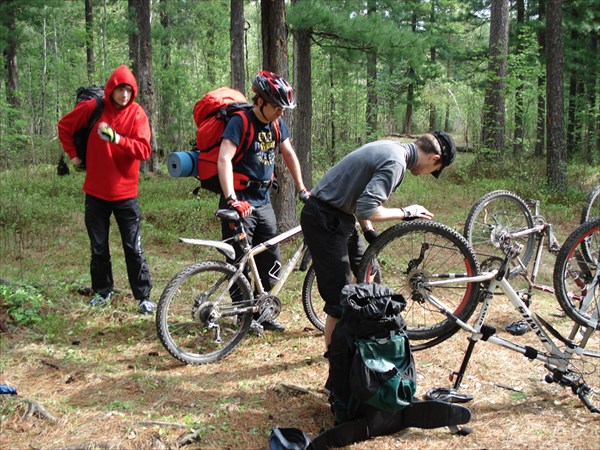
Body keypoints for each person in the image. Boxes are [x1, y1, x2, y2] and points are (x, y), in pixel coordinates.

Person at [300, 132, 456, 348]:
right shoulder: (396, 162)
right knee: (339, 299)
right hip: (324, 218)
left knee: (368, 268)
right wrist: (406, 212)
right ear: (434, 159)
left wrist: (368, 231)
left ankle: (355, 328)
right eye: (434, 171)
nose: (427, 174)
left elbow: (359, 194)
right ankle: (337, 366)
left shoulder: (392, 148)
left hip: (341, 216)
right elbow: (367, 208)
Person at [58, 65, 155, 314]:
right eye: (120, 89)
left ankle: (143, 297)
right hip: (96, 193)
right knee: (99, 247)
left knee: (134, 247)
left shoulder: (137, 114)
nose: (124, 94)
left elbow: (144, 150)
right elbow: (64, 126)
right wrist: (74, 157)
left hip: (126, 195)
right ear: (111, 88)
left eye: (128, 90)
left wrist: (117, 139)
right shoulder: (94, 108)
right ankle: (102, 292)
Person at [217, 71, 309, 332]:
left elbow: (289, 154)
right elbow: (224, 159)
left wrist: (301, 188)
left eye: (283, 108)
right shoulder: (240, 122)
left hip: (263, 201)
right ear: (261, 102)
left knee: (270, 258)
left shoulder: (277, 124)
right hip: (240, 201)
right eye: (277, 107)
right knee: (238, 261)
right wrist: (232, 199)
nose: (281, 112)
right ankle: (241, 317)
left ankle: (263, 313)